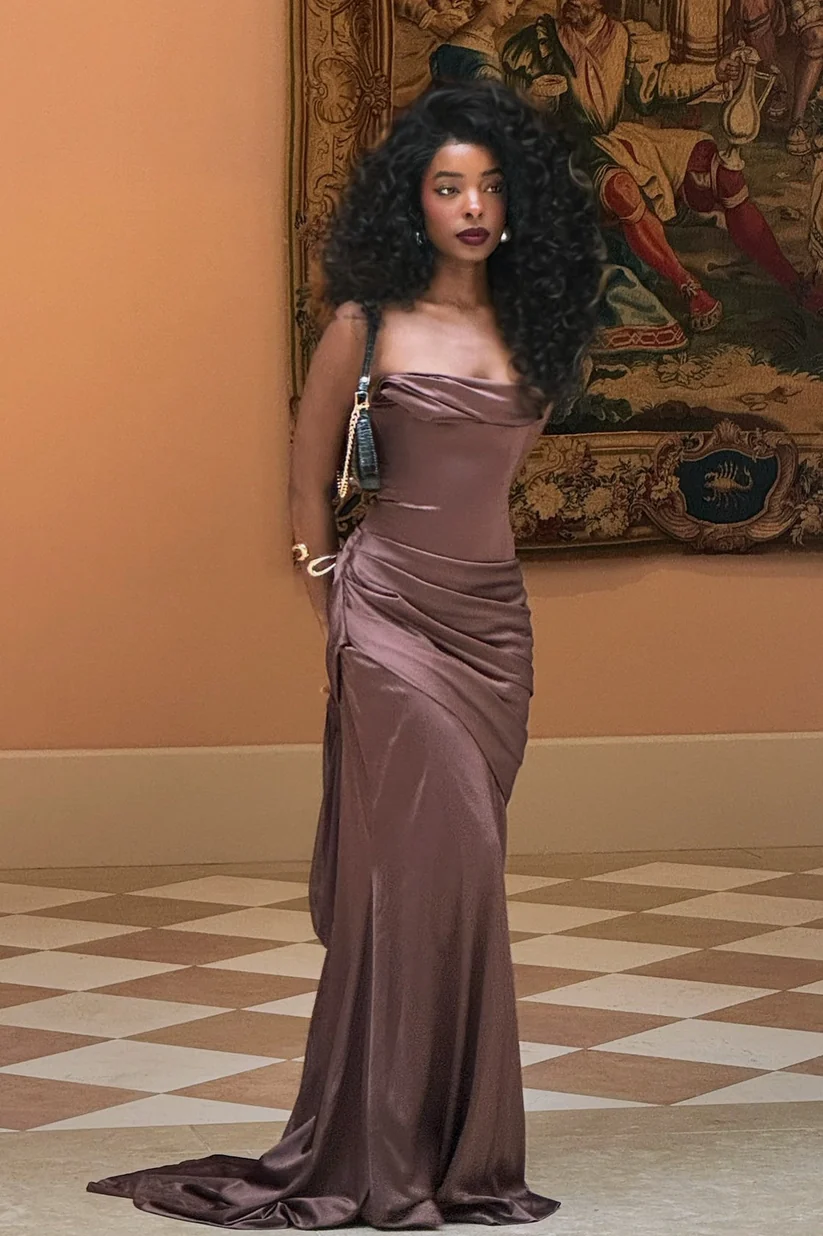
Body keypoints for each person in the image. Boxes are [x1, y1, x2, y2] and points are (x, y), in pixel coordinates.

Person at [85, 80, 603, 1229]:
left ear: (516, 202)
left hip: (493, 630)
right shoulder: (363, 326)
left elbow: (488, 484)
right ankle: (382, 1149)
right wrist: (339, 607)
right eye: (447, 186)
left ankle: (454, 1151)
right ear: (410, 202)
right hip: (387, 623)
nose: (472, 206)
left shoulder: (531, 329)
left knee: (462, 879)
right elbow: (306, 484)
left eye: (490, 186)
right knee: (422, 871)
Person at [503, 0, 823, 328]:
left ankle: (792, 283)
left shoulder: (622, 36)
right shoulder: (537, 43)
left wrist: (714, 72)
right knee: (622, 188)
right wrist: (533, 100)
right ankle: (688, 287)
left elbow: (656, 87)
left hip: (616, 141)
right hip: (567, 152)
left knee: (719, 170)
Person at [429, 0, 525, 82]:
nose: (513, 13)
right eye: (509, 2)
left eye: (517, 8)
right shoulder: (482, 62)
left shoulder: (458, 37)